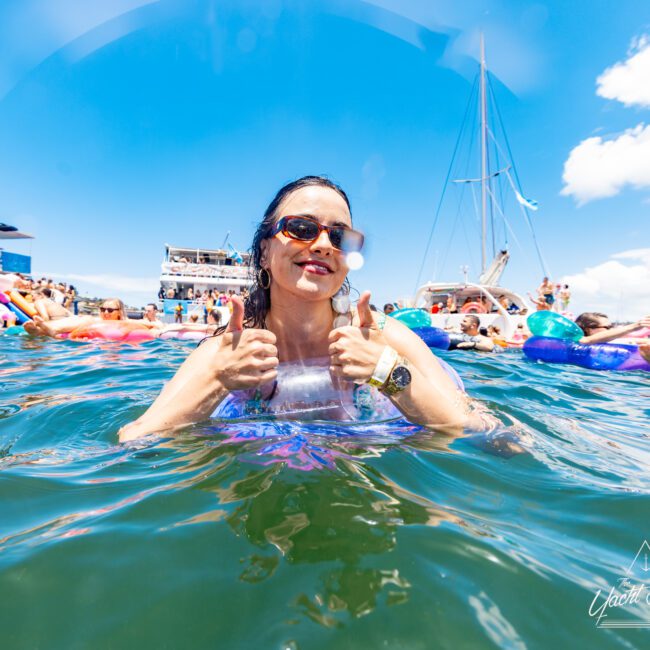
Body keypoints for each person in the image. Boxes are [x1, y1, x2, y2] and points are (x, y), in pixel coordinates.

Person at [119, 175, 479, 441]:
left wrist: (386, 371)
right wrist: (216, 380)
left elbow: (478, 426)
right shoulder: (223, 352)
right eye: (302, 228)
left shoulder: (383, 337)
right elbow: (135, 440)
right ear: (264, 251)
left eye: (340, 236)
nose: (324, 245)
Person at [575, 312, 650, 345]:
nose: (611, 331)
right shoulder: (575, 342)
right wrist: (634, 326)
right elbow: (586, 340)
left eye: (611, 327)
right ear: (588, 329)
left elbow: (631, 341)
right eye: (607, 327)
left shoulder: (610, 343)